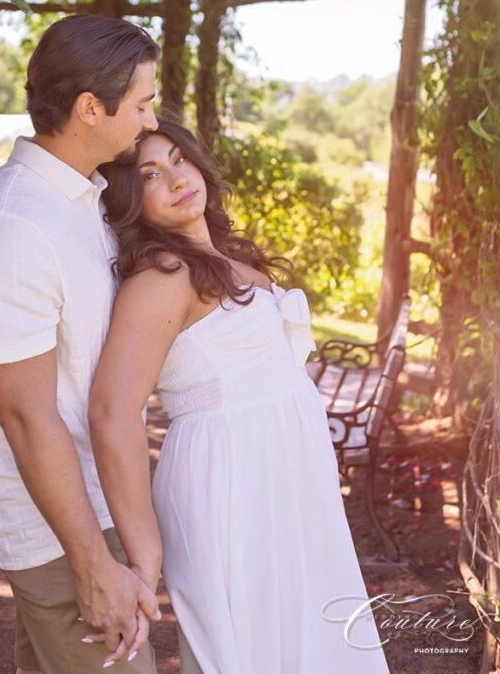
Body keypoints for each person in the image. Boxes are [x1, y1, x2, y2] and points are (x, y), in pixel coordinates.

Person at [89, 116, 391, 674]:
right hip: (231, 481)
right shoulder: (161, 280)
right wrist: (144, 553)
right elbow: (111, 413)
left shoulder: (227, 258)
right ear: (130, 198)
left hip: (289, 479)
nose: (177, 179)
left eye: (179, 159)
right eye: (151, 174)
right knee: (255, 643)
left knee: (309, 631)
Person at [0, 15, 163, 674]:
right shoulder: (13, 224)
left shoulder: (76, 200)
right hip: (56, 532)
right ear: (89, 108)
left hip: (88, 505)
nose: (152, 121)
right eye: (142, 104)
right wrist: (92, 563)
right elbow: (24, 415)